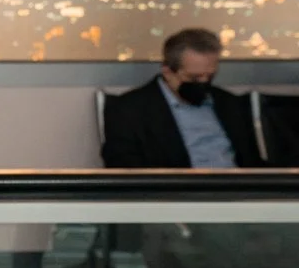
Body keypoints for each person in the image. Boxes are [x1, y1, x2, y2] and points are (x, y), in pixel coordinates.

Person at [100, 27, 263, 168]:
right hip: (176, 192)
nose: (203, 83)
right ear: (167, 72)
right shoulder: (129, 110)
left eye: (210, 76)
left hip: (238, 189)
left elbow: (253, 162)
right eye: (194, 78)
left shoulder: (230, 103)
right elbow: (123, 167)